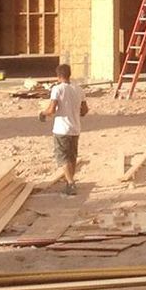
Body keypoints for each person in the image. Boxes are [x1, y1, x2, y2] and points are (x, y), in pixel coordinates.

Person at [38, 62, 87, 194]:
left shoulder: (57, 89)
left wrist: (42, 113)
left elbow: (52, 109)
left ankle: (70, 183)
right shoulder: (79, 89)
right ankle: (70, 180)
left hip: (61, 128)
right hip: (75, 128)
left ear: (58, 76)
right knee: (72, 156)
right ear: (69, 75)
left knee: (63, 156)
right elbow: (84, 110)